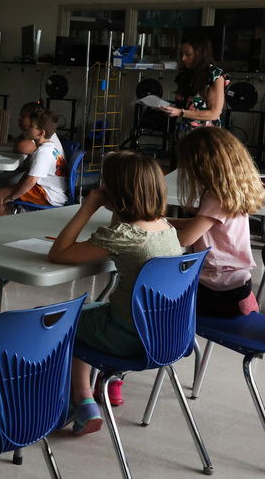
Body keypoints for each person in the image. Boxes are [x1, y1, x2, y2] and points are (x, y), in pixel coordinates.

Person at [48, 151, 181, 436]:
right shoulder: (166, 228)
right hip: (166, 336)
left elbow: (58, 253)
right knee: (88, 314)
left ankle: (81, 400)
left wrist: (89, 206)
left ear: (115, 192)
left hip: (129, 337)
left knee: (63, 320)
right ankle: (83, 396)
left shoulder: (124, 236)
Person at [171, 126, 265, 316]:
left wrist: (153, 227)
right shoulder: (232, 191)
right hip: (237, 284)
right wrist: (166, 220)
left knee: (160, 300)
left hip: (219, 290)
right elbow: (203, 226)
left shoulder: (216, 198)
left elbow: (185, 240)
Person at [0, 107, 67, 216]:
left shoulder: (43, 152)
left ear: (41, 133)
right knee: (6, 191)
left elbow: (31, 181)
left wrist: (12, 197)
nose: (28, 128)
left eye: (31, 126)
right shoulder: (50, 147)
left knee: (1, 194)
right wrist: (17, 188)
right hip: (50, 191)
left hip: (48, 195)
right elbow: (29, 174)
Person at [159, 35, 226, 129]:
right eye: (182, 54)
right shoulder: (186, 73)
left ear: (201, 54)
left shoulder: (215, 75)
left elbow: (214, 113)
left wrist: (180, 112)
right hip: (183, 130)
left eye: (188, 54)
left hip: (205, 133)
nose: (183, 58)